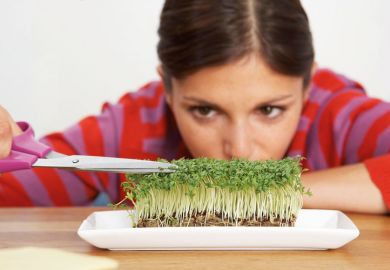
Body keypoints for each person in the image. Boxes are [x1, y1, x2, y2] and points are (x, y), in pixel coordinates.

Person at [0, 0, 389, 213]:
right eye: (205, 110)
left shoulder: (338, 115)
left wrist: (268, 191)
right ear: (167, 90)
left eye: (269, 110)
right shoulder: (134, 127)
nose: (238, 150)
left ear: (308, 87)